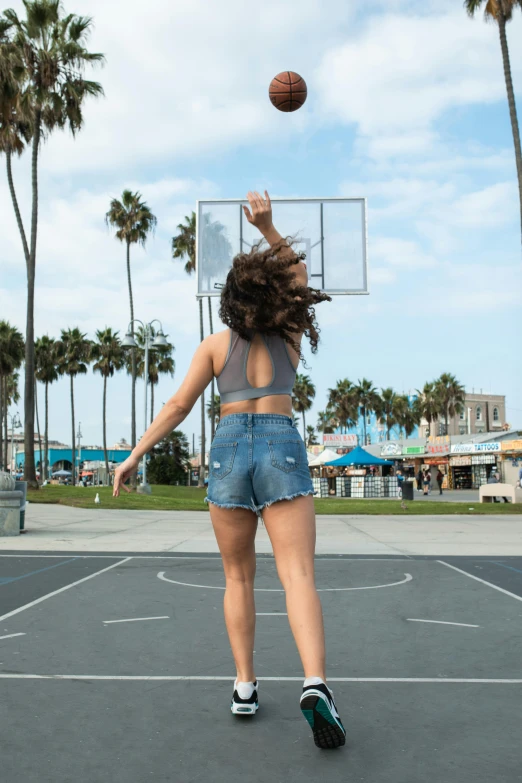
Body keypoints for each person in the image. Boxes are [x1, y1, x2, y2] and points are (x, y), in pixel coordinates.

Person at [112, 190, 345, 750]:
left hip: (230, 448)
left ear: (230, 298)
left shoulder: (216, 345)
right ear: (274, 295)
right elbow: (298, 275)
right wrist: (267, 228)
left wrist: (134, 455)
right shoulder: (290, 337)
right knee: (299, 576)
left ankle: (245, 685)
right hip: (282, 443)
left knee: (239, 577)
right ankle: (315, 685)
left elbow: (176, 408)